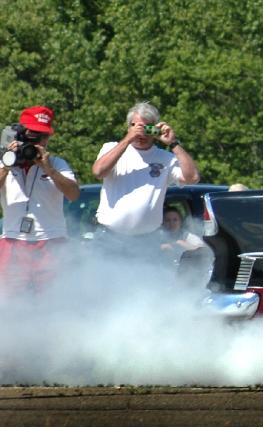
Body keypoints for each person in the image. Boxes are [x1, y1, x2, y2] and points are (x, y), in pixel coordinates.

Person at [92, 101, 200, 238]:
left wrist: (173, 143)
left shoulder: (165, 158)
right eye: (136, 127)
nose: (142, 134)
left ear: (155, 129)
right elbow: (98, 172)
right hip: (109, 235)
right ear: (129, 127)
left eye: (147, 128)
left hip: (148, 238)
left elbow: (192, 178)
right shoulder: (111, 148)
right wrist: (127, 139)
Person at [0, 106, 80, 289]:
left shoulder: (57, 164)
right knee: (10, 299)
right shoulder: (4, 162)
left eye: (44, 136)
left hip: (51, 242)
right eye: (34, 135)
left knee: (54, 299)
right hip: (13, 240)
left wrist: (49, 170)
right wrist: (7, 163)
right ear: (21, 135)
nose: (40, 141)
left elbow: (74, 194)